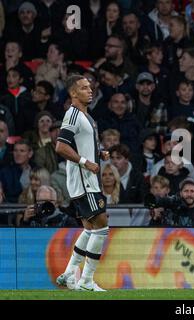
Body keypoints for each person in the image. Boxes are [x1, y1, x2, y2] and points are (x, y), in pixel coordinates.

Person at [54, 75, 111, 292]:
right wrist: (86, 162)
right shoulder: (73, 114)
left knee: (89, 229)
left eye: (90, 87)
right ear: (73, 93)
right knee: (102, 227)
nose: (90, 90)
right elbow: (61, 146)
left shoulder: (87, 116)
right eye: (84, 88)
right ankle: (86, 281)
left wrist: (99, 153)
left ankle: (69, 274)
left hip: (87, 180)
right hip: (84, 180)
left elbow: (82, 144)